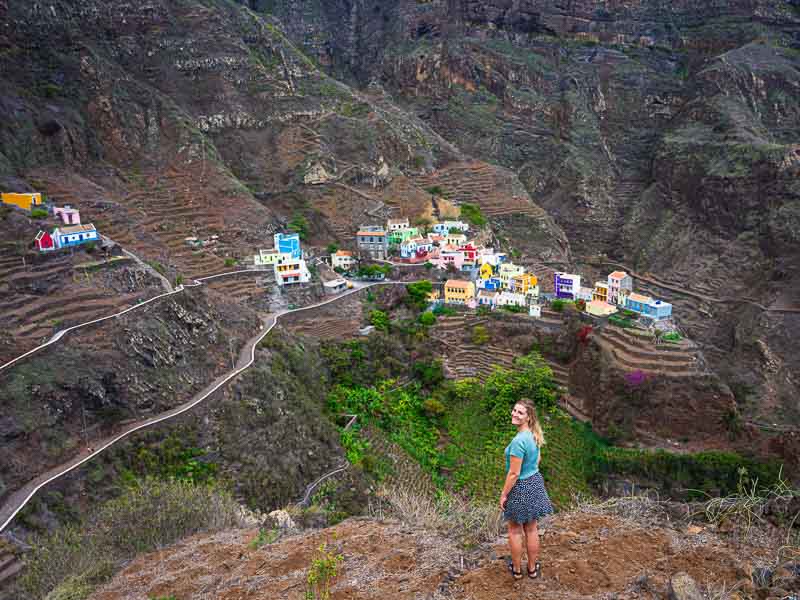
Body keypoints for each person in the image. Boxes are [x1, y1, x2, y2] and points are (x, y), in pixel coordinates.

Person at [500, 398, 553, 580]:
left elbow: (514, 474)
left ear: (528, 417)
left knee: (515, 530)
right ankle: (532, 569)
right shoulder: (534, 434)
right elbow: (537, 460)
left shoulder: (518, 441)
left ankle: (516, 570)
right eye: (514, 410)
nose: (515, 414)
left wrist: (504, 494)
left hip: (520, 486)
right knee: (531, 529)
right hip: (534, 482)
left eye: (520, 412)